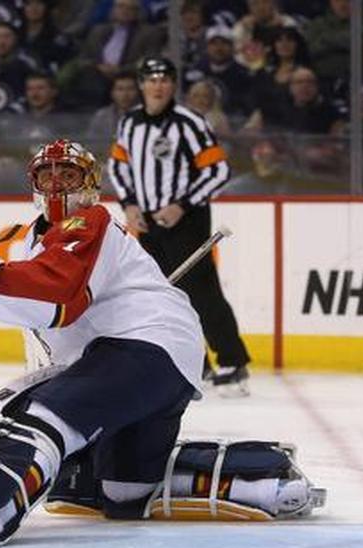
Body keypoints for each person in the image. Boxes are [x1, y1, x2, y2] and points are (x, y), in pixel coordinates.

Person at [0, 138, 324, 548]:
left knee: (38, 417)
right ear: (33, 185)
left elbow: (54, 297)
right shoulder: (29, 243)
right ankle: (259, 478)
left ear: (90, 184)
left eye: (68, 176)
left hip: (143, 348)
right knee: (118, 490)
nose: (56, 184)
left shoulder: (89, 221)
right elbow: (19, 301)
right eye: (46, 175)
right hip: (160, 363)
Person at [108, 57, 251, 396]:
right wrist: (128, 204)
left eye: (165, 79)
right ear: (142, 85)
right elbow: (118, 166)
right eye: (151, 78)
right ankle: (193, 362)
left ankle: (233, 363)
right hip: (146, 222)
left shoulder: (189, 123)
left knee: (201, 290)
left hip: (187, 220)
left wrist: (182, 206)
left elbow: (218, 171)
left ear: (173, 85)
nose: (158, 85)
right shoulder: (129, 123)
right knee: (162, 295)